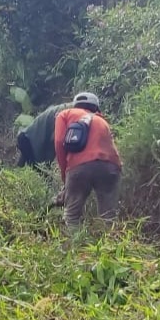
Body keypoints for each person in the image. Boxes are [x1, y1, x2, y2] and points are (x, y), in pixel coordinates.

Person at [54, 91, 122, 228]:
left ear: (75, 105)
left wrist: (65, 175)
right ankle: (110, 246)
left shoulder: (65, 114)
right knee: (109, 216)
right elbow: (113, 149)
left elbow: (59, 141)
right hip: (110, 167)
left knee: (72, 216)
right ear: (96, 107)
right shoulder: (102, 121)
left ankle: (75, 246)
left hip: (79, 167)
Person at [16, 102, 72, 168]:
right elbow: (57, 140)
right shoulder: (65, 113)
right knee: (41, 172)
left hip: (26, 138)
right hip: (26, 140)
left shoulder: (64, 109)